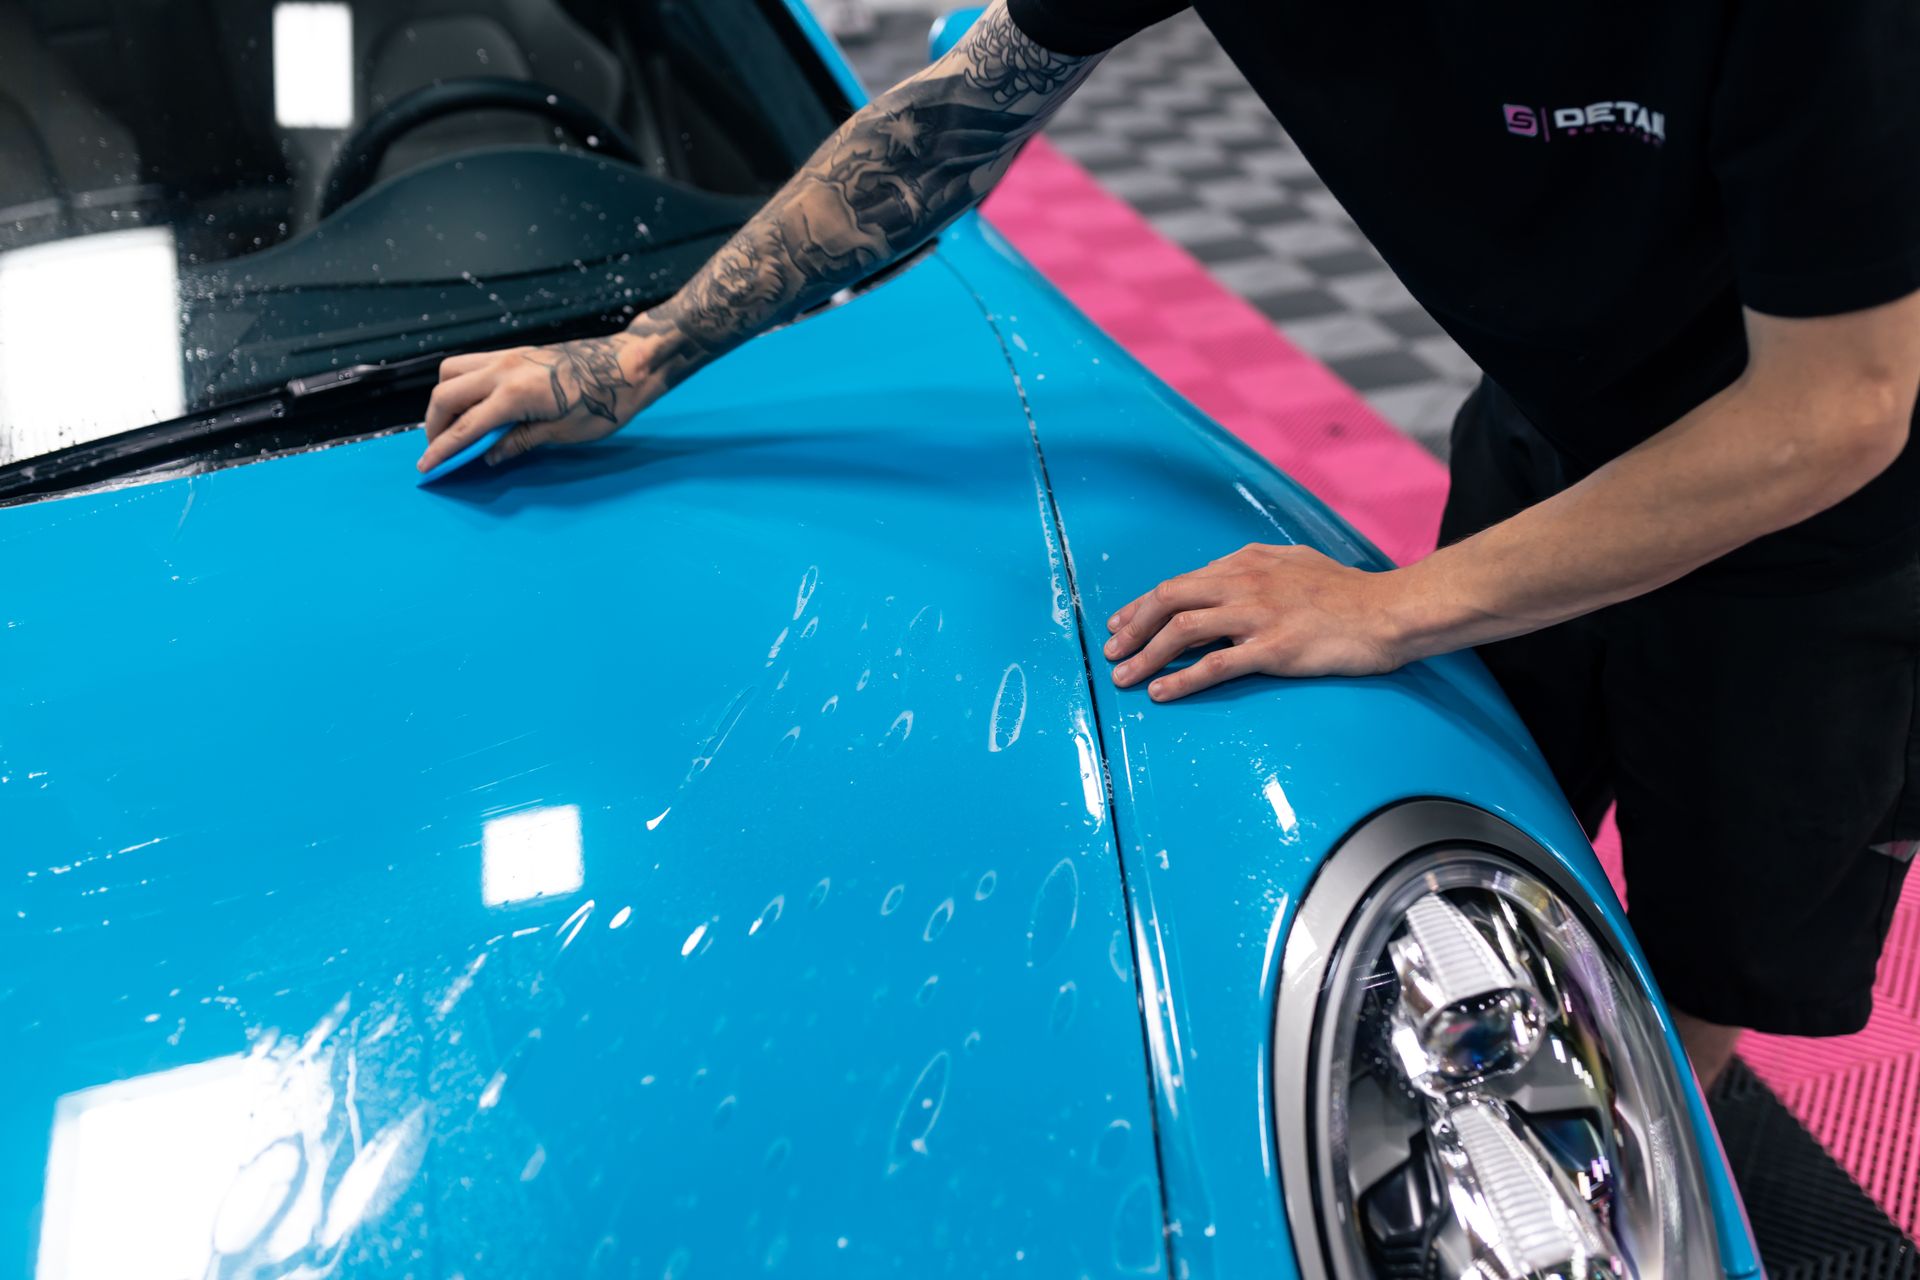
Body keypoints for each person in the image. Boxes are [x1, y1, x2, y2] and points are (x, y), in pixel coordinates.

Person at [417, 1, 1920, 1086]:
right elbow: (948, 120)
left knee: (1690, 989)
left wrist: (1397, 609)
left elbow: (1840, 408)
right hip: (1548, 421)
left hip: (1828, 530)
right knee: (1480, 860)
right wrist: (637, 358)